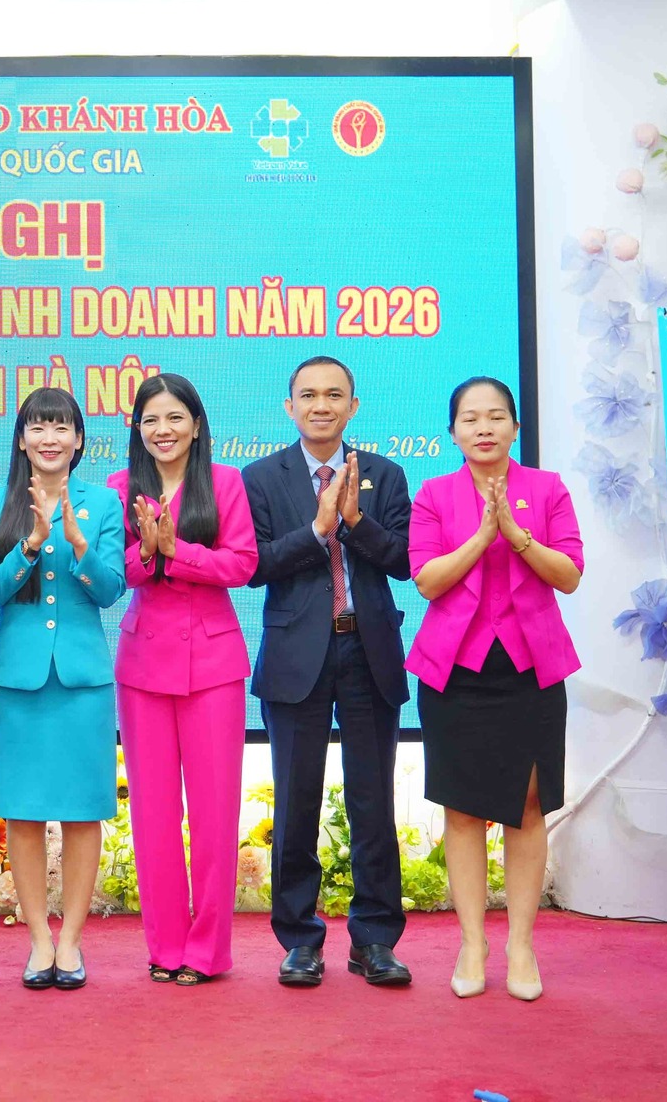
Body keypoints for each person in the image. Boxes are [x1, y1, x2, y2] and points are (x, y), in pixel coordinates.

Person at [407, 376, 583, 1002]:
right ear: (453, 432)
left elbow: (569, 575)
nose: (483, 427)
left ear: (515, 427)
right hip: (456, 672)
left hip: (531, 670)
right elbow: (427, 580)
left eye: (496, 416)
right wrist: (483, 537)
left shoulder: (548, 488)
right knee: (462, 808)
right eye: (470, 418)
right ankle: (472, 942)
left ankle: (522, 945)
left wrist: (516, 533)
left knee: (529, 806)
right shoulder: (434, 494)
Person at [243, 356, 414, 989]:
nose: (322, 405)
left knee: (373, 801)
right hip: (297, 657)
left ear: (353, 406)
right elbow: (254, 565)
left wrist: (355, 523)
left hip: (368, 651)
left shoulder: (385, 474)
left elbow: (404, 561)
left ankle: (375, 939)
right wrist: (318, 531)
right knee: (295, 802)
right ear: (289, 407)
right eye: (309, 395)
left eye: (334, 395)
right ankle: (300, 940)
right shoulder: (262, 477)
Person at [108, 373, 258, 986]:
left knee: (215, 814)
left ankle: (207, 952)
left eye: (174, 418)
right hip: (144, 665)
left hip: (214, 666)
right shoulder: (120, 487)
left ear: (196, 425)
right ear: (137, 430)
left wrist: (176, 551)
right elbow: (115, 573)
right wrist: (147, 552)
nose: (162, 430)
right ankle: (166, 947)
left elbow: (242, 564)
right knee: (152, 814)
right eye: (150, 420)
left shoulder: (224, 482)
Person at [0, 387, 125, 991]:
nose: (50, 438)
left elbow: (110, 590)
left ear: (79, 439)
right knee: (24, 812)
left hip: (83, 680)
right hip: (20, 678)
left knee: (85, 812)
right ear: (21, 439)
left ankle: (71, 942)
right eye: (38, 427)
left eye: (61, 427)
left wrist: (80, 545)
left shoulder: (103, 502)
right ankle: (39, 939)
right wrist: (32, 544)